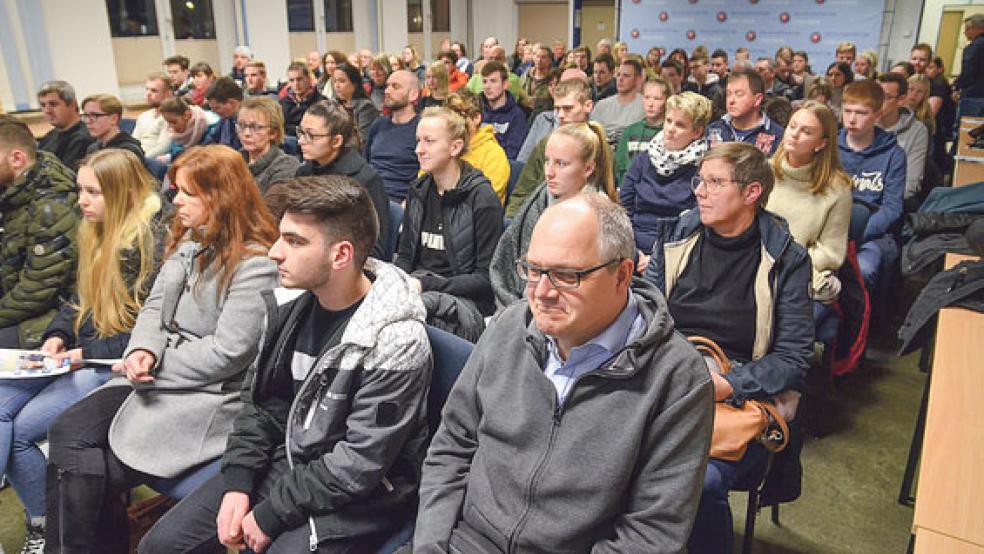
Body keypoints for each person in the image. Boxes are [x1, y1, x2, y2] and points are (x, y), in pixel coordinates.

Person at [139, 173, 432, 553]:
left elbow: (359, 464)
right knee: (160, 547)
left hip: (359, 497)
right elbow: (261, 405)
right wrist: (238, 482)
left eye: (294, 242)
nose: (274, 251)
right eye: (281, 236)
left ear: (340, 254)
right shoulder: (288, 304)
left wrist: (271, 512)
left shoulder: (397, 338)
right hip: (291, 462)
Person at [417, 192, 714, 552]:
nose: (542, 293)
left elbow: (652, 534)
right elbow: (452, 446)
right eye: (533, 270)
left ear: (622, 275)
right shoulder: (509, 326)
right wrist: (431, 546)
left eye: (566, 276)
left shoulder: (677, 377)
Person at [43, 145, 280, 553]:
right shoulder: (193, 240)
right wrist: (142, 351)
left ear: (219, 196)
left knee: (85, 462)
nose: (176, 201)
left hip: (202, 396)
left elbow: (227, 355)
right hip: (159, 374)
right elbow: (154, 307)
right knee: (67, 433)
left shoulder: (256, 265)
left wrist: (154, 365)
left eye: (187, 193)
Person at [641, 142, 813, 554]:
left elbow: (793, 359)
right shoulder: (677, 235)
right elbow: (645, 320)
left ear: (752, 193)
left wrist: (729, 383)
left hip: (736, 394)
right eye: (700, 181)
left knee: (700, 483)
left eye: (714, 182)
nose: (699, 191)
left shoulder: (786, 258)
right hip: (668, 375)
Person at [0, 149, 169, 551]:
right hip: (86, 354)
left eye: (92, 191)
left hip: (113, 364)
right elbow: (79, 298)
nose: (81, 200)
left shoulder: (150, 245)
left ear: (122, 194)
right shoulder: (95, 231)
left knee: (20, 432)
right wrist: (59, 334)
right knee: (5, 415)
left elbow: (146, 334)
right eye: (80, 189)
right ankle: (45, 521)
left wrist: (82, 353)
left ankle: (47, 526)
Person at [395, 107, 503, 340]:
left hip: (465, 302)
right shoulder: (418, 191)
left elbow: (485, 280)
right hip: (419, 290)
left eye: (429, 142)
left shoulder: (482, 199)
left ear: (455, 147)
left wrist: (425, 284)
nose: (418, 150)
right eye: (418, 141)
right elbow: (405, 256)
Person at [490, 122, 616, 307]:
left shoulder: (600, 218)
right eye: (547, 161)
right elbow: (504, 265)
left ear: (588, 169)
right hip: (518, 306)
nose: (548, 173)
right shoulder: (540, 198)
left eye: (561, 164)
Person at [0, 115, 79, 349]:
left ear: (17, 159)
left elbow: (36, 292)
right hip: (22, 307)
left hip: (57, 318)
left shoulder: (51, 207)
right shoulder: (14, 196)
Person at [767, 101, 853, 308]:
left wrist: (787, 261)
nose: (794, 134)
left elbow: (831, 252)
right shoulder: (765, 171)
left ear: (821, 143)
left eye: (806, 131)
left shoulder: (838, 187)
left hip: (799, 271)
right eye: (792, 126)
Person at [621, 91, 710, 266]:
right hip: (633, 245)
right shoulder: (643, 159)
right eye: (668, 121)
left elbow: (695, 222)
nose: (670, 129)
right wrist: (634, 253)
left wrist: (657, 257)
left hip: (677, 251)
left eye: (680, 125)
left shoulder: (704, 169)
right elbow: (624, 208)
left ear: (697, 132)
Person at [296, 101, 390, 259]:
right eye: (300, 132)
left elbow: (374, 247)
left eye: (311, 135)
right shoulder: (303, 174)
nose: (300, 141)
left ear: (336, 141)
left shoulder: (365, 179)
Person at [838, 80, 906, 293]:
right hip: (830, 228)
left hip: (871, 234)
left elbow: (891, 208)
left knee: (865, 268)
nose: (851, 119)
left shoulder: (894, 155)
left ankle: (862, 324)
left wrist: (857, 235)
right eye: (847, 111)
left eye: (861, 113)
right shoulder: (830, 147)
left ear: (877, 115)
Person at [508, 77, 595, 218]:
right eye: (557, 109)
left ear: (588, 106)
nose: (560, 115)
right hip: (538, 215)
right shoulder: (545, 144)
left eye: (567, 108)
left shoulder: (597, 146)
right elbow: (522, 191)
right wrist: (513, 224)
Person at [444, 90, 510, 205]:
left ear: (476, 118)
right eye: (448, 117)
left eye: (459, 116)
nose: (452, 123)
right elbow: (423, 185)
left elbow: (486, 202)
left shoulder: (493, 154)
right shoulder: (443, 147)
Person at [364, 69, 421, 202]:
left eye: (395, 87)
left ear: (413, 95)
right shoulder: (378, 125)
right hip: (370, 197)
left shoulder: (421, 128)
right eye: (387, 86)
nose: (387, 91)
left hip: (401, 201)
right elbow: (365, 164)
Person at [876, 73, 929, 206]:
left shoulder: (917, 131)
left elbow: (910, 184)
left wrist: (874, 198)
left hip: (891, 201)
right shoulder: (864, 123)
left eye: (885, 98)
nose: (876, 103)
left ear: (901, 100)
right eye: (875, 96)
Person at [707, 68, 784, 155]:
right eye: (728, 94)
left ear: (757, 99)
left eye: (739, 94)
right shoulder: (713, 129)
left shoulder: (776, 135)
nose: (731, 100)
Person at [237, 95, 301, 193]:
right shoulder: (234, 161)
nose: (246, 133)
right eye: (241, 125)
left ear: (273, 133)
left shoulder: (286, 166)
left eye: (256, 127)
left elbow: (271, 206)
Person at [615, 77, 669, 185]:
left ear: (667, 101)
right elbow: (620, 169)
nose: (650, 104)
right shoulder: (630, 131)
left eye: (657, 99)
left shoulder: (669, 133)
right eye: (647, 97)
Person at [36, 81, 95, 171]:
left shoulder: (85, 138)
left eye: (53, 104)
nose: (47, 110)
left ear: (72, 104)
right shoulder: (50, 136)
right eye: (43, 105)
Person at [591, 58, 645, 146]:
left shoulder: (646, 105)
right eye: (618, 75)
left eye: (626, 76)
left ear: (637, 79)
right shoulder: (601, 105)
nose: (620, 79)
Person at [480, 61, 528, 160]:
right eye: (484, 81)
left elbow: (513, 154)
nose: (487, 86)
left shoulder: (516, 116)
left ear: (505, 84)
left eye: (493, 81)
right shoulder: (476, 110)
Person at [81, 94, 145, 160]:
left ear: (114, 118)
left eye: (94, 115)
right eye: (86, 115)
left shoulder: (128, 151)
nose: (87, 121)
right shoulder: (93, 149)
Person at [158, 96, 220, 163]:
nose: (170, 127)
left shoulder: (211, 127)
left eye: (174, 122)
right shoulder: (175, 133)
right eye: (168, 122)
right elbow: (176, 151)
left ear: (186, 115)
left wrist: (171, 157)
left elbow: (203, 155)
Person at [333, 63, 379, 142]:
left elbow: (364, 140)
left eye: (342, 81)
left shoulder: (366, 107)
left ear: (355, 84)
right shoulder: (335, 105)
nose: (337, 85)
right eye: (334, 81)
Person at [132, 73, 173, 158]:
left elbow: (163, 148)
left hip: (151, 161)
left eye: (154, 90)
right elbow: (133, 142)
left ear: (168, 94)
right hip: (136, 159)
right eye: (147, 89)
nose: (148, 94)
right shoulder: (143, 116)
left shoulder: (171, 117)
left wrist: (139, 160)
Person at [281, 61, 326, 137]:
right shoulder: (284, 102)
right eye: (292, 80)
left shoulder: (322, 102)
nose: (296, 84)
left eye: (299, 79)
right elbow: (281, 127)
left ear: (309, 79)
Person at [202, 76, 244, 151]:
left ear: (232, 103)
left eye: (217, 108)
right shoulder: (224, 120)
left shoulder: (251, 123)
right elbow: (209, 142)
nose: (214, 112)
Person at [955, 14, 984, 117]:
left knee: (967, 130)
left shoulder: (973, 47)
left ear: (978, 29)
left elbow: (968, 74)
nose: (965, 33)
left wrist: (956, 86)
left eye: (967, 29)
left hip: (973, 96)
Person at [522, 44, 555, 113]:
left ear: (550, 60)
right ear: (533, 57)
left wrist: (537, 102)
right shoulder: (526, 75)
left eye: (543, 57)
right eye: (537, 56)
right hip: (525, 114)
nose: (539, 60)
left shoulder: (553, 78)